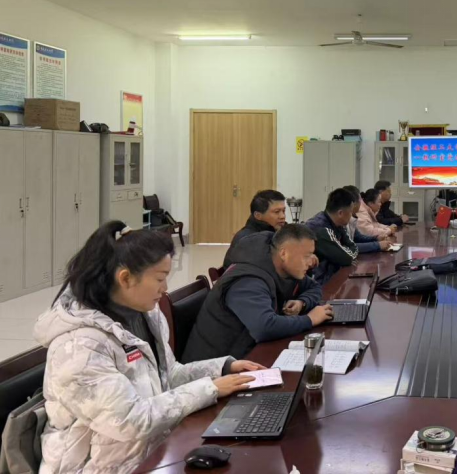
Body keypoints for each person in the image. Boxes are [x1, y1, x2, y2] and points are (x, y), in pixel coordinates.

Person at [34, 221, 264, 474]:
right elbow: (129, 421)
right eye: (160, 278)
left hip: (150, 454)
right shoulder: (79, 348)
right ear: (125, 278)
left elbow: (167, 375)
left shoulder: (144, 314)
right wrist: (210, 388)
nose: (165, 289)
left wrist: (222, 368)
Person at [184, 225, 331, 363]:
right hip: (216, 369)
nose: (311, 262)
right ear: (284, 253)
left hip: (247, 355)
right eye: (306, 256)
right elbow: (264, 327)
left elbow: (314, 287)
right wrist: (310, 319)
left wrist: (302, 302)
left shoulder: (283, 268)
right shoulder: (248, 280)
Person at [305, 188, 360, 282]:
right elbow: (346, 258)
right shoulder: (321, 229)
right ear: (340, 213)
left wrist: (343, 249)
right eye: (350, 212)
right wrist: (344, 250)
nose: (351, 216)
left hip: (327, 274)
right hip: (317, 281)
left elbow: (353, 246)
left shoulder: (337, 223)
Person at [223, 190, 287, 268]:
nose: (282, 216)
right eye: (276, 212)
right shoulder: (249, 240)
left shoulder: (278, 232)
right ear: (258, 215)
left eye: (283, 211)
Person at [343, 185, 392, 253]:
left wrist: (376, 238)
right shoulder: (343, 220)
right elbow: (348, 247)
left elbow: (358, 237)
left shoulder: (351, 217)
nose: (361, 203)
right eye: (360, 200)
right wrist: (378, 245)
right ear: (353, 204)